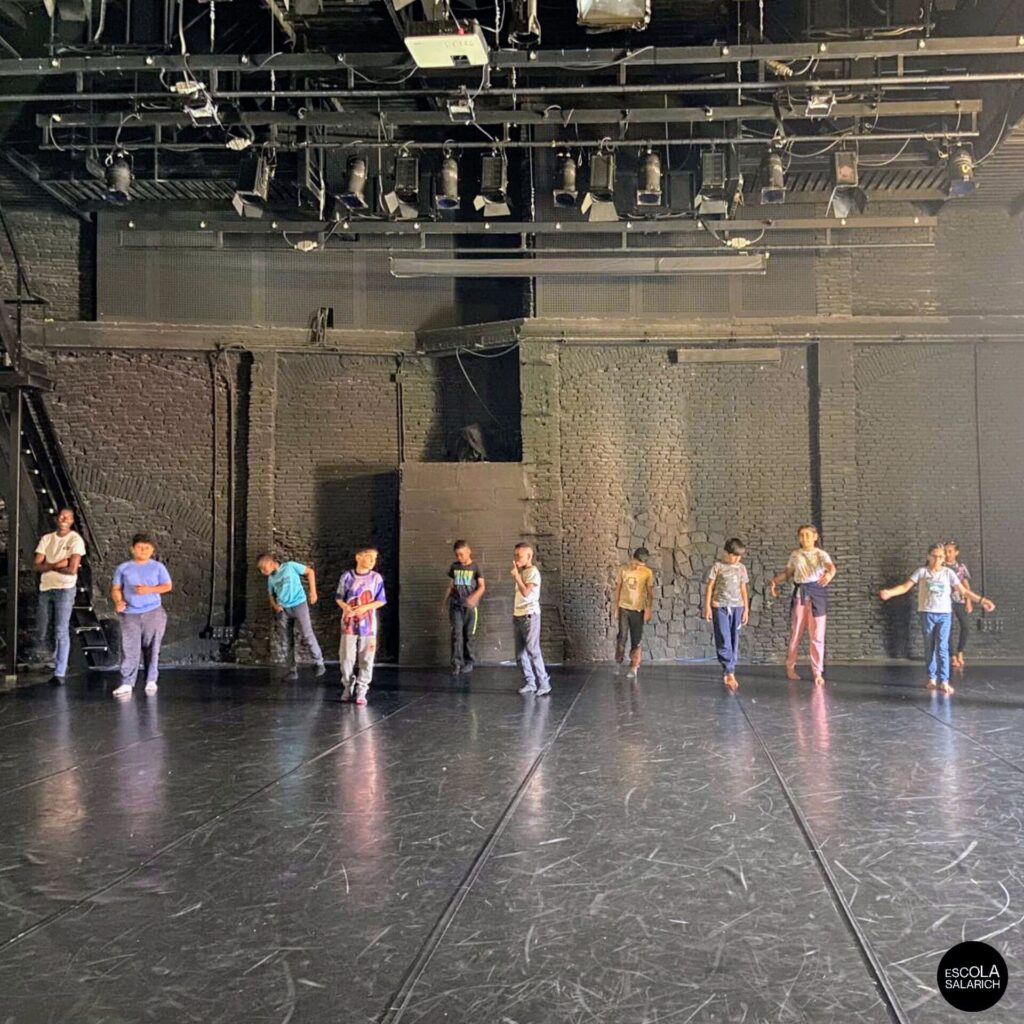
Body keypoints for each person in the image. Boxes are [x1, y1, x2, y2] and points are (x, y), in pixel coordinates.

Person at [880, 544, 994, 695]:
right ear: (928, 556)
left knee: (942, 647)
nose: (937, 559)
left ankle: (944, 681)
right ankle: (932, 678)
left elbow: (964, 591)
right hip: (927, 613)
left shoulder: (948, 573)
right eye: (934, 556)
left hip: (944, 614)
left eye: (941, 557)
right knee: (929, 647)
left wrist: (982, 600)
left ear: (944, 558)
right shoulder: (921, 572)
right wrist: (890, 593)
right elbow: (905, 587)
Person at [769, 525, 836, 686]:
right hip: (800, 595)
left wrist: (829, 575)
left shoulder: (821, 554)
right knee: (796, 633)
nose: (804, 538)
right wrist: (774, 582)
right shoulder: (795, 555)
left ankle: (817, 672)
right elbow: (788, 573)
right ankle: (790, 667)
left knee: (817, 636)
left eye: (808, 535)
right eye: (801, 535)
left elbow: (831, 567)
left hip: (817, 595)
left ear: (815, 536)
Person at [111, 534, 173, 697]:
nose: (143, 551)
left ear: (152, 550)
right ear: (132, 549)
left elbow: (167, 586)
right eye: (140, 547)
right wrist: (118, 601)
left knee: (153, 646)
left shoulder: (158, 567)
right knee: (129, 647)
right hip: (130, 613)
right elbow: (116, 589)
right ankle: (127, 682)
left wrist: (149, 590)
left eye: (147, 548)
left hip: (153, 611)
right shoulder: (123, 568)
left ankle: (151, 679)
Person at [33, 507, 86, 685]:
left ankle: (60, 672)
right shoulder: (47, 539)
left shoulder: (75, 540)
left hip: (64, 588)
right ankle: (51, 657)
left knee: (60, 628)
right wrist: (58, 564)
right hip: (46, 587)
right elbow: (37, 565)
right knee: (42, 625)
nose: (64, 519)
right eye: (62, 516)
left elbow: (72, 569)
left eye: (68, 517)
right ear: (57, 518)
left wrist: (49, 565)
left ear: (72, 521)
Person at [258, 554, 326, 680]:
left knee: (306, 633)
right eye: (260, 569)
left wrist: (313, 592)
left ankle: (319, 662)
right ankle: (292, 670)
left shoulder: (290, 566)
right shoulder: (271, 578)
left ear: (271, 562)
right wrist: (275, 606)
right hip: (284, 610)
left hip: (299, 604)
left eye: (263, 567)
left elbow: (310, 572)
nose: (262, 571)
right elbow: (271, 595)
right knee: (287, 639)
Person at [336, 546, 387, 705]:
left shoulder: (376, 578)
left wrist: (365, 607)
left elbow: (381, 600)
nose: (372, 561)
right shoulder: (347, 576)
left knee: (366, 657)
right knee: (346, 657)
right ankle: (347, 685)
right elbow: (339, 597)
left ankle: (362, 689)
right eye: (369, 557)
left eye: (374, 558)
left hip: (368, 625)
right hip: (349, 623)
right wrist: (345, 607)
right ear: (358, 557)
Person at [704, 538, 750, 690]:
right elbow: (710, 587)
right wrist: (707, 607)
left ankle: (730, 669)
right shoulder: (718, 567)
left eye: (739, 556)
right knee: (724, 638)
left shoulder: (741, 568)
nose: (736, 559)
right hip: (720, 607)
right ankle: (729, 670)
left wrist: (746, 609)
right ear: (725, 553)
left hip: (737, 607)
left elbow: (743, 588)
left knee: (734, 639)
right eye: (733, 555)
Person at [511, 543, 550, 696]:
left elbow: (526, 593)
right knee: (520, 654)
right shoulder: (523, 572)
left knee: (533, 650)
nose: (516, 559)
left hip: (530, 615)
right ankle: (530, 682)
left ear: (529, 557)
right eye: (515, 555)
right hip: (518, 615)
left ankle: (544, 683)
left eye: (519, 556)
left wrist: (516, 577)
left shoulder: (533, 572)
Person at [443, 540, 485, 675]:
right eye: (457, 555)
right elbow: (451, 585)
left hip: (470, 608)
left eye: (461, 554)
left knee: (469, 635)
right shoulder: (454, 567)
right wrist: (445, 601)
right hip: (456, 605)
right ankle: (456, 663)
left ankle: (469, 662)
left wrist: (474, 597)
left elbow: (482, 586)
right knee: (456, 634)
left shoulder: (475, 567)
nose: (459, 557)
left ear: (468, 551)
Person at [611, 547, 654, 679]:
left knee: (637, 639)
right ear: (632, 559)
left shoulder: (647, 573)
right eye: (636, 564)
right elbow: (618, 589)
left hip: (638, 610)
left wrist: (648, 609)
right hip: (624, 608)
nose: (637, 567)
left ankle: (634, 666)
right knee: (622, 636)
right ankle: (618, 661)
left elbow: (650, 593)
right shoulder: (623, 570)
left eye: (640, 565)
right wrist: (616, 608)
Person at [944, 541, 972, 670]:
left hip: (960, 600)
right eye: (945, 551)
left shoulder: (961, 567)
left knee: (965, 626)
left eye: (950, 551)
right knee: (948, 628)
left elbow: (966, 585)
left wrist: (968, 601)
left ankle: (960, 651)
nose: (947, 554)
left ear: (956, 552)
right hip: (945, 602)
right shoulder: (941, 566)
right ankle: (952, 656)